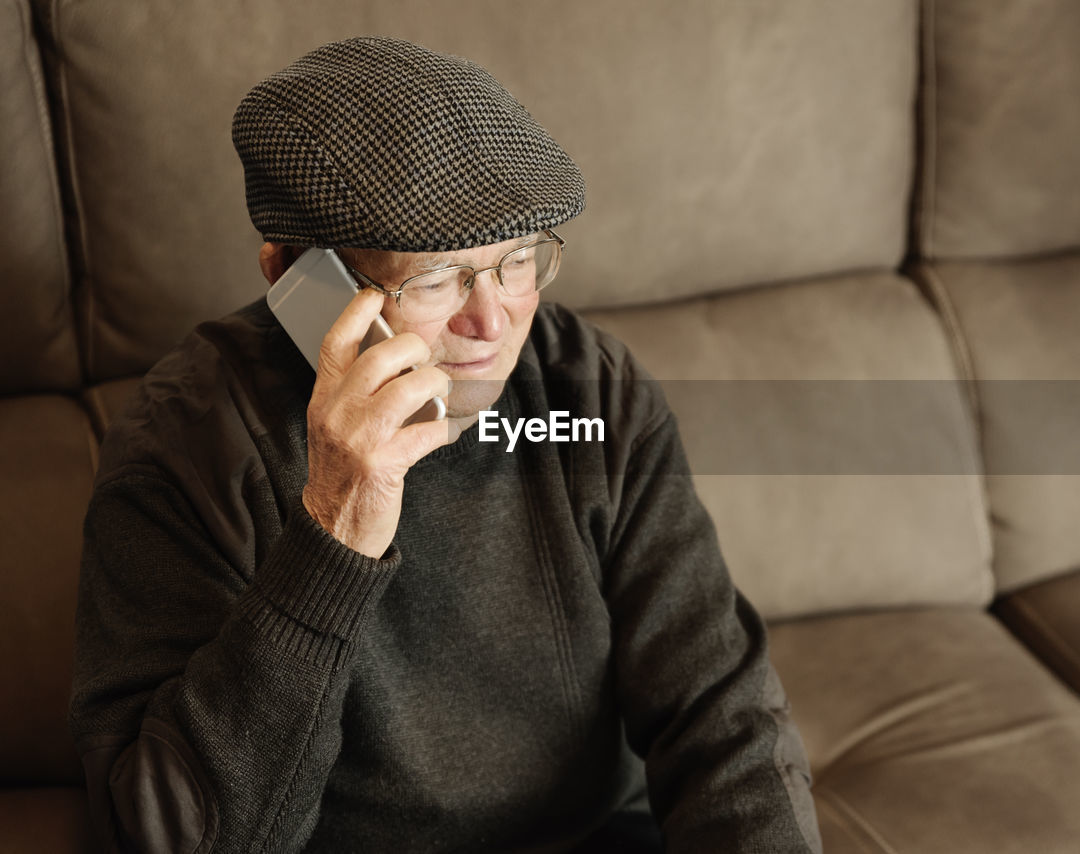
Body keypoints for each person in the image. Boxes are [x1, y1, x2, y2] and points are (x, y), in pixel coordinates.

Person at [69, 37, 821, 853]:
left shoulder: (591, 389)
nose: (491, 324)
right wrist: (333, 532)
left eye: (515, 262)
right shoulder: (185, 447)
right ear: (295, 278)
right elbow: (171, 838)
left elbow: (722, 715)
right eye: (433, 280)